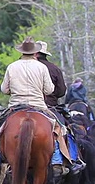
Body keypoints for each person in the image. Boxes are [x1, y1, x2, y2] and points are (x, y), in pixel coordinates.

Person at [0, 36, 82, 175]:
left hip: (16, 105)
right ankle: (59, 160)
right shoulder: (41, 67)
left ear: (22, 51)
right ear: (35, 52)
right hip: (38, 105)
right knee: (60, 129)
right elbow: (49, 90)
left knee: (1, 128)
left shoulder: (12, 66)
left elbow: (4, 89)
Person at [36, 40, 85, 174]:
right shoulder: (54, 68)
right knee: (67, 129)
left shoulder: (22, 66)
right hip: (48, 105)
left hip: (23, 104)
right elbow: (61, 91)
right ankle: (72, 160)